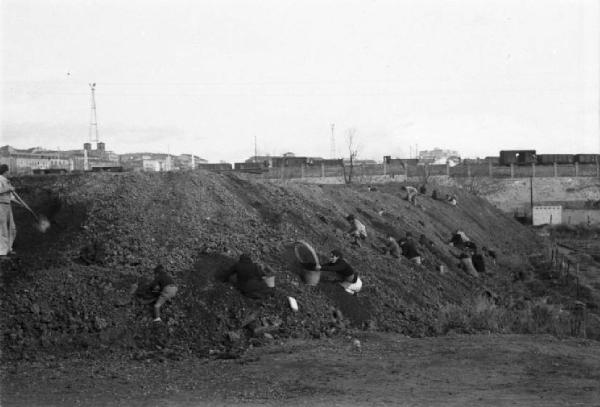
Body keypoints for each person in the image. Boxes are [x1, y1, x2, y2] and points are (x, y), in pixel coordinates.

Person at [0, 164, 17, 257]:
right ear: (5, 171)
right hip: (0, 206)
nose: (9, 173)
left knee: (12, 228)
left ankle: (8, 249)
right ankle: (2, 253)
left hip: (8, 205)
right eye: (8, 171)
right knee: (3, 229)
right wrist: (8, 188)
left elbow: (10, 197)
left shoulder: (7, 181)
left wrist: (19, 202)